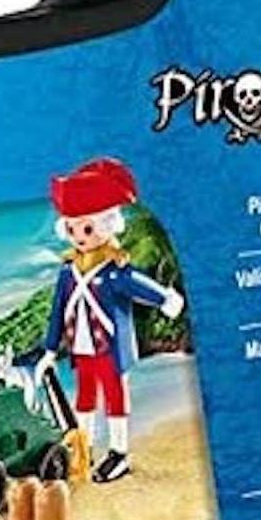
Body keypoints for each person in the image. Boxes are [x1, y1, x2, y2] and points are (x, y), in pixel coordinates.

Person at [35, 158, 184, 483]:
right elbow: (58, 311)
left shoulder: (114, 271)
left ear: (107, 224)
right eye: (72, 229)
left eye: (86, 228)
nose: (79, 236)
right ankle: (83, 449)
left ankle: (118, 453)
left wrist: (165, 299)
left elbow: (139, 286)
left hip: (110, 349)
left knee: (115, 399)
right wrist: (49, 350)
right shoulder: (68, 271)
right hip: (82, 350)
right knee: (84, 399)